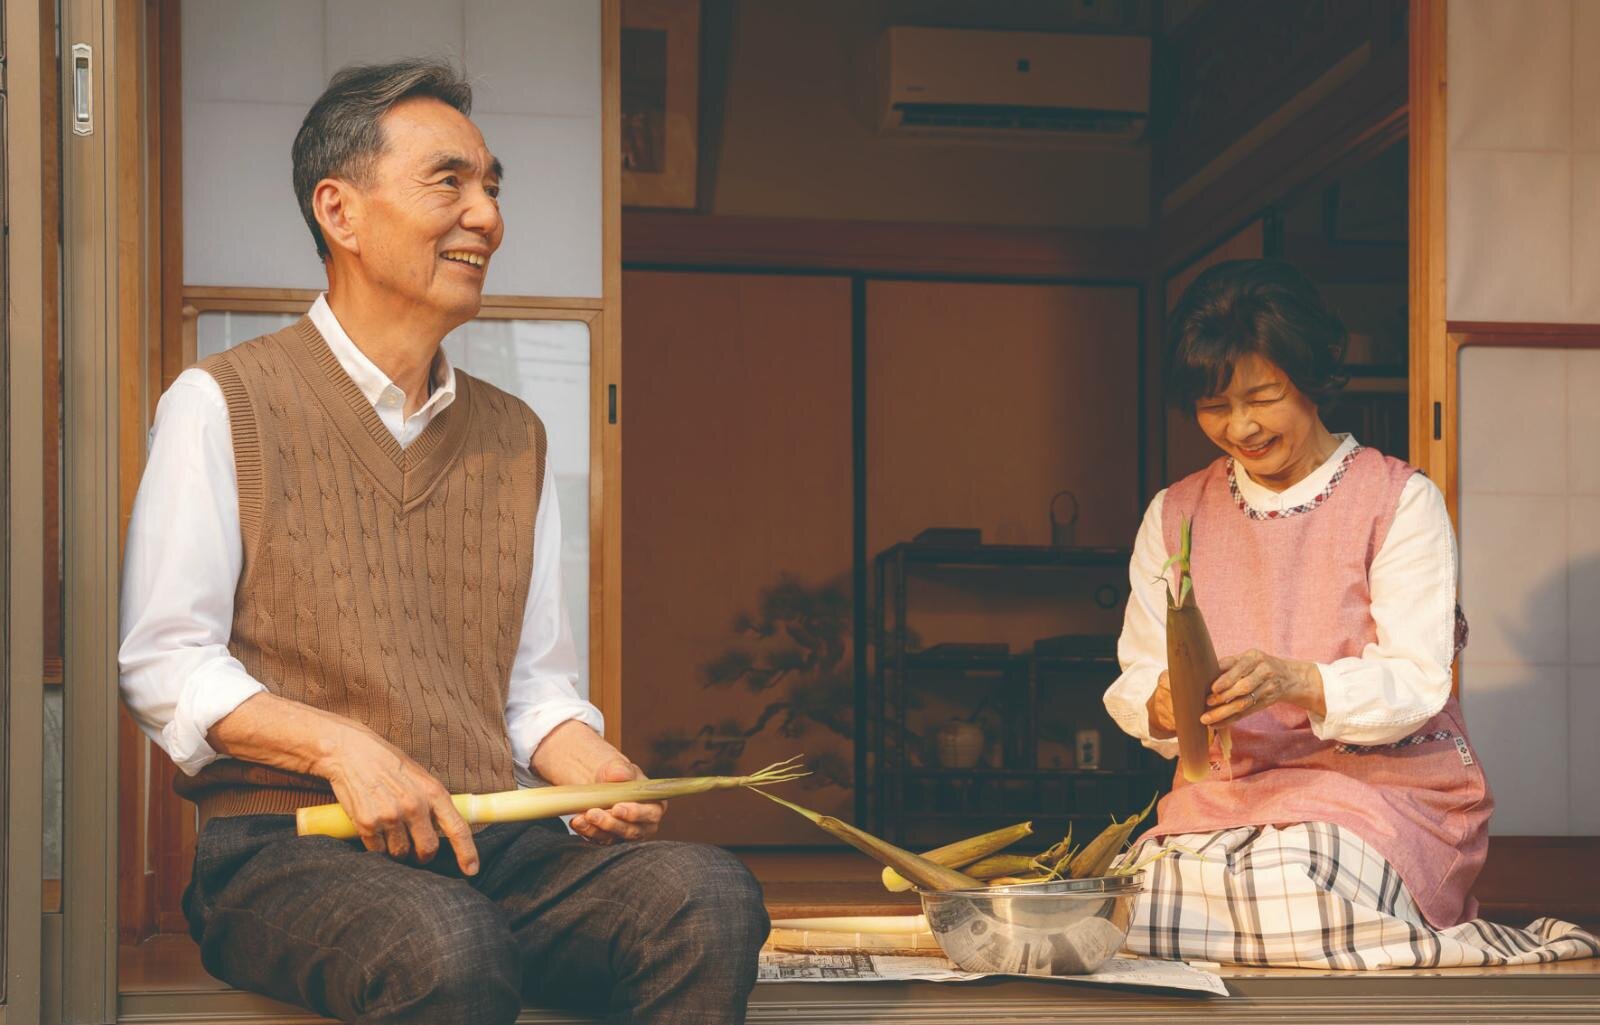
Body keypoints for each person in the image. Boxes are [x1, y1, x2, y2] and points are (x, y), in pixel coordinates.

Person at [119, 59, 767, 1024]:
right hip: (285, 847)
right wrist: (343, 747)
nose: (487, 216)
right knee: (448, 944)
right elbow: (164, 663)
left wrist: (582, 757)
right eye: (449, 182)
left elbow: (531, 690)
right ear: (340, 211)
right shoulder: (221, 402)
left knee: (706, 898)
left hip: (486, 841)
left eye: (492, 186)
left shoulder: (516, 435)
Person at [1104, 259, 1598, 969]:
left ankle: (1470, 941)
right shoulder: (1175, 512)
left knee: (1292, 891)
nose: (1240, 426)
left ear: (1309, 376)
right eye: (1214, 406)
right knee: (1140, 904)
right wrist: (1158, 703)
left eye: (1262, 396)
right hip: (1226, 799)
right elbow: (1138, 670)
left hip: (1378, 797)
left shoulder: (1398, 500)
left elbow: (1418, 679)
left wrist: (1298, 681)